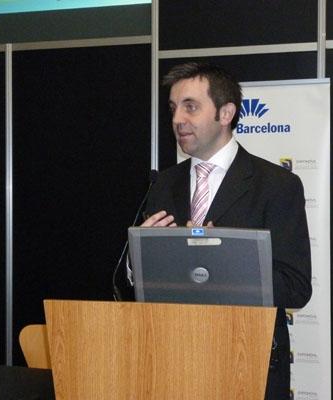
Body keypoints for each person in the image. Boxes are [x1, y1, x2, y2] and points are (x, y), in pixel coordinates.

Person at [141, 62, 312, 399]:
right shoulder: (162, 184)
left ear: (226, 113)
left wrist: (224, 262)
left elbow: (296, 287)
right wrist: (141, 258)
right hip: (172, 360)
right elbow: (135, 284)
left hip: (246, 362)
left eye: (191, 107)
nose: (177, 120)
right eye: (174, 108)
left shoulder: (277, 185)